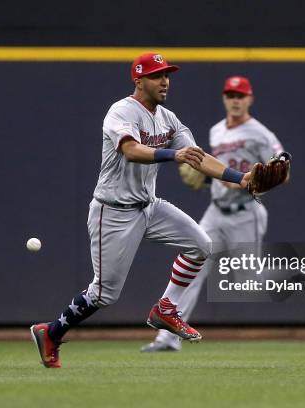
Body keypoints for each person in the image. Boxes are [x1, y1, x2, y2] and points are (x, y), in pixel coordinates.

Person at [30, 54, 260, 368]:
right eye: (156, 76)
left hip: (149, 206)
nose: (164, 81)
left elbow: (198, 157)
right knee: (104, 295)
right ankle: (52, 332)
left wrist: (241, 178)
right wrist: (174, 154)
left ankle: (166, 307)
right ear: (138, 81)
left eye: (167, 75)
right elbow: (131, 150)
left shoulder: (169, 118)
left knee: (201, 245)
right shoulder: (121, 111)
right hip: (113, 211)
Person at [141, 76, 284, 352]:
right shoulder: (217, 131)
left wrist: (268, 176)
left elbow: (281, 165)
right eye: (230, 95)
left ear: (250, 99)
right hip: (216, 212)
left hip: (246, 213)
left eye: (240, 95)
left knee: (248, 282)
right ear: (224, 99)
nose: (235, 100)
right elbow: (215, 172)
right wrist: (206, 180)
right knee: (194, 264)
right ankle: (167, 338)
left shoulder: (260, 133)